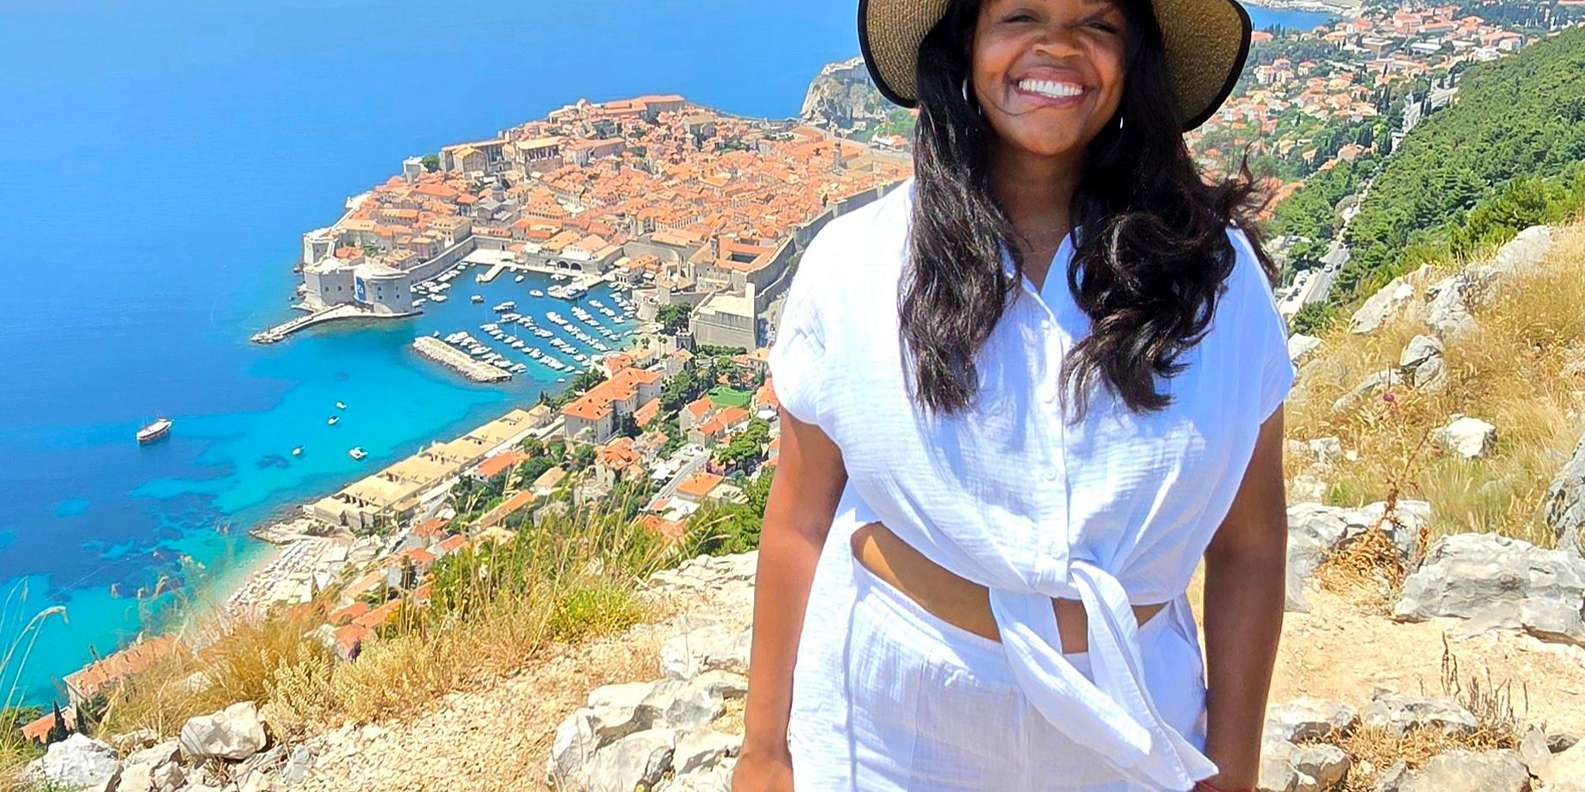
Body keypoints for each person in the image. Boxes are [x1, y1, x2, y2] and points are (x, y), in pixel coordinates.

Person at [733, 0, 1294, 788]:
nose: (1056, 46)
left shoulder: (1216, 279)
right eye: (1020, 14)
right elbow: (799, 519)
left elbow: (1248, 547)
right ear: (965, 43)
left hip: (1133, 727)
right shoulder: (856, 262)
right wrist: (764, 749)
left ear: (1133, 61)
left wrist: (1233, 772)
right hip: (891, 727)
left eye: (1097, 25)